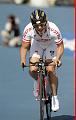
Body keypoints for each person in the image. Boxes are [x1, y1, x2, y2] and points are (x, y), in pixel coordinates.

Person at [20, 9, 64, 112]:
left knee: (50, 69)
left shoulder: (53, 29)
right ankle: (38, 80)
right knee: (32, 69)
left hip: (51, 45)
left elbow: (60, 47)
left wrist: (57, 59)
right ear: (32, 25)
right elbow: (24, 47)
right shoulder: (28, 29)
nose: (40, 28)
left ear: (46, 21)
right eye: (36, 26)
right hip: (37, 45)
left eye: (42, 25)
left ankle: (54, 97)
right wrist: (22, 60)